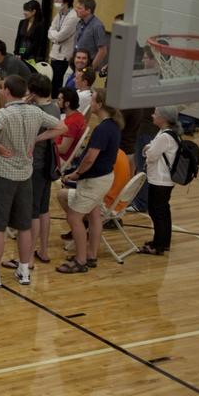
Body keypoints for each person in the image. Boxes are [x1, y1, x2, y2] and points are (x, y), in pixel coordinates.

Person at [0, 76, 67, 288]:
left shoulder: (4, 114)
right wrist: (37, 139)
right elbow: (61, 128)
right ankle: (24, 272)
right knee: (24, 226)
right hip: (25, 175)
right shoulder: (35, 111)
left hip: (4, 176)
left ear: (6, 91)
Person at [56, 88, 121, 274]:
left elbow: (90, 158)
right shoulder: (114, 125)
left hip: (94, 180)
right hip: (104, 178)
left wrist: (76, 173)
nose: (90, 103)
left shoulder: (102, 129)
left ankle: (80, 260)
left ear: (100, 104)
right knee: (94, 216)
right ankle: (91, 255)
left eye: (92, 100)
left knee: (74, 217)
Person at [26, 74, 60, 266]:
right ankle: (43, 251)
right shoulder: (54, 107)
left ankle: (28, 257)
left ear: (32, 91)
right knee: (43, 210)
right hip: (48, 164)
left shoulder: (36, 112)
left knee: (32, 213)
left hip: (36, 165)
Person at [139, 107, 181, 256]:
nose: (152, 115)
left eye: (155, 114)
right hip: (162, 179)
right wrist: (149, 148)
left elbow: (150, 154)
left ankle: (159, 246)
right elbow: (152, 148)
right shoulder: (165, 133)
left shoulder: (165, 136)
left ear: (163, 118)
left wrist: (147, 149)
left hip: (160, 180)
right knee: (161, 211)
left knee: (158, 212)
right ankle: (162, 242)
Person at [46, 0, 80, 92]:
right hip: (55, 54)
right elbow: (50, 31)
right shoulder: (59, 14)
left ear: (66, 2)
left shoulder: (73, 17)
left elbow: (60, 36)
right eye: (55, 0)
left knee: (58, 85)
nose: (56, 3)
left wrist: (55, 36)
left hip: (64, 57)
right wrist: (55, 36)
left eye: (58, 1)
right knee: (52, 83)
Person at [74, 0, 108, 71]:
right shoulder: (80, 23)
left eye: (79, 8)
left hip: (89, 65)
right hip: (77, 63)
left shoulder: (97, 26)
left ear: (88, 11)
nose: (76, 10)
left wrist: (90, 69)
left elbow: (102, 51)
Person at [56, 87, 88, 166]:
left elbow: (63, 149)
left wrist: (46, 146)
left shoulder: (72, 123)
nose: (57, 102)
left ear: (67, 104)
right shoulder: (78, 115)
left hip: (58, 158)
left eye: (59, 100)